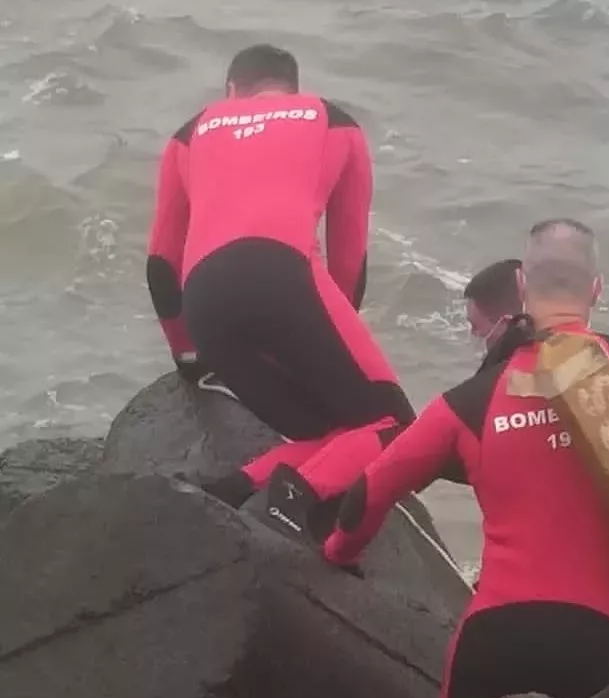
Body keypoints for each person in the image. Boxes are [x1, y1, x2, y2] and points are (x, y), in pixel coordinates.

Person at [318, 218, 609, 698]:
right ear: (596, 289)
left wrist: (339, 553)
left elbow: (370, 492)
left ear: (523, 287)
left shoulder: (470, 400)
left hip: (492, 639)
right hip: (594, 643)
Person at [145, 44, 415, 505]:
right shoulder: (334, 121)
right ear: (293, 89)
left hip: (205, 300)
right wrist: (322, 339)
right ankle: (290, 508)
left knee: (328, 431)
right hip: (284, 277)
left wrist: (189, 360)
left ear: (231, 91)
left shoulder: (189, 134)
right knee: (394, 427)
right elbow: (348, 258)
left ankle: (232, 492)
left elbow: (161, 265)